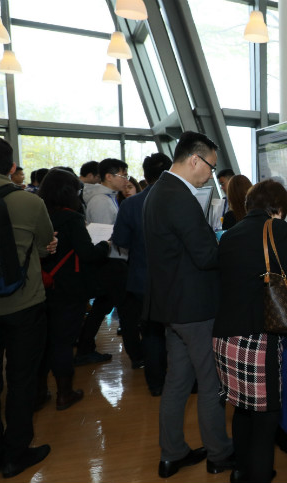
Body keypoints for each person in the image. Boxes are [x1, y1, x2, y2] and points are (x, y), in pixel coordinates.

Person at [143, 132, 234, 478]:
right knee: (211, 383)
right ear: (195, 159)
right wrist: (229, 246)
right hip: (195, 309)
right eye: (210, 166)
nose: (211, 175)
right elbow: (206, 256)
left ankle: (172, 454)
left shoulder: (158, 191)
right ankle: (219, 454)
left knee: (178, 381)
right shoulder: (179, 197)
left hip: (172, 306)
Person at [213, 179, 287, 483]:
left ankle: (241, 472)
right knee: (266, 419)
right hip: (256, 338)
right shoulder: (275, 228)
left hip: (224, 337)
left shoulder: (230, 234)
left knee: (242, 410)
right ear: (279, 207)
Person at [0, 138, 54, 478]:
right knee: (21, 379)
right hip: (24, 303)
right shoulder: (29, 201)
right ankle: (15, 454)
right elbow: (46, 247)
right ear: (11, 167)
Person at [38, 169, 110, 410]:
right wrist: (105, 245)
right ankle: (64, 393)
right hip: (69, 288)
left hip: (43, 285)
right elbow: (88, 254)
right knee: (63, 341)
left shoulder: (41, 214)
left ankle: (39, 392)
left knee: (44, 341)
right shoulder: (72, 218)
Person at [112, 153, 172, 395]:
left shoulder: (130, 204)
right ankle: (183, 381)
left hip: (142, 278)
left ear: (145, 176)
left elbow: (121, 241)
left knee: (151, 332)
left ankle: (156, 384)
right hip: (176, 278)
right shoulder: (182, 201)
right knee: (179, 332)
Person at [74, 158, 130, 366]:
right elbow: (104, 234)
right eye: (123, 175)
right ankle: (85, 348)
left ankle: (85, 347)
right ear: (109, 176)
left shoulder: (108, 197)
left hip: (113, 258)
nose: (126, 180)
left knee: (102, 306)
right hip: (110, 260)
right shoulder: (100, 200)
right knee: (111, 306)